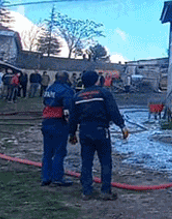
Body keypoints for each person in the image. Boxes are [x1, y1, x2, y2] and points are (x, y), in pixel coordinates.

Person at [68, 70, 129, 200]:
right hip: (101, 131)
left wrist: (72, 133)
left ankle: (86, 191)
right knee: (105, 161)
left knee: (86, 162)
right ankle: (105, 191)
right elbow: (113, 111)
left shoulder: (77, 97)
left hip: (84, 132)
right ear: (97, 80)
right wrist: (122, 126)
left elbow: (73, 118)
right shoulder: (104, 93)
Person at [41, 72, 75, 187]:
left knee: (47, 152)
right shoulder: (66, 90)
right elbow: (68, 110)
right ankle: (57, 177)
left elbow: (45, 102)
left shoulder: (50, 88)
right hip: (59, 122)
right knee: (59, 151)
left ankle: (46, 177)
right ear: (66, 79)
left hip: (46, 121)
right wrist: (71, 128)